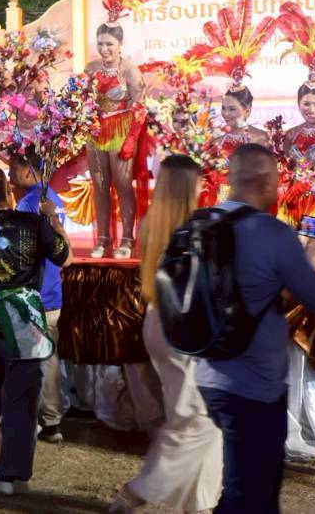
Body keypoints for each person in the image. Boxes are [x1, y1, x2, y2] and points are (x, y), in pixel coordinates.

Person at [196, 143, 315, 514]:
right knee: (249, 493)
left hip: (206, 371)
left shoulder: (197, 223)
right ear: (265, 182)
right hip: (255, 384)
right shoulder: (272, 233)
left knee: (245, 485)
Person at [114, 154, 223, 514]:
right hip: (184, 328)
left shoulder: (153, 224)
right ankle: (142, 490)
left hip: (158, 321)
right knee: (202, 418)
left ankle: (200, 503)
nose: (203, 186)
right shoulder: (196, 229)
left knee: (189, 416)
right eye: (198, 180)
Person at [0, 165, 72, 495]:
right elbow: (63, 256)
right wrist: (52, 219)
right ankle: (12, 475)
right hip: (24, 317)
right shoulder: (33, 223)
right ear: (8, 191)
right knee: (23, 397)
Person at [7, 151, 68, 444]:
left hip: (35, 293)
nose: (9, 175)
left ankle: (30, 419)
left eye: (13, 169)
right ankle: (52, 419)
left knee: (29, 360)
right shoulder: (53, 199)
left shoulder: (28, 204)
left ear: (29, 171)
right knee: (50, 358)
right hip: (53, 291)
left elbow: (23, 252)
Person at [85, 23, 145, 259]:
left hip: (122, 130)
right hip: (95, 132)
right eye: (100, 43)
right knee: (99, 185)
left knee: (122, 185)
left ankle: (127, 238)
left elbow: (140, 108)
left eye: (109, 44)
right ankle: (103, 238)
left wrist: (131, 139)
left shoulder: (130, 71)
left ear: (121, 44)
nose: (104, 49)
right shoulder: (91, 69)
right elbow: (79, 100)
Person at [219, 86, 268, 155]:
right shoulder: (217, 136)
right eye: (223, 108)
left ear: (247, 111)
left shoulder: (260, 137)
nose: (226, 113)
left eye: (232, 109)